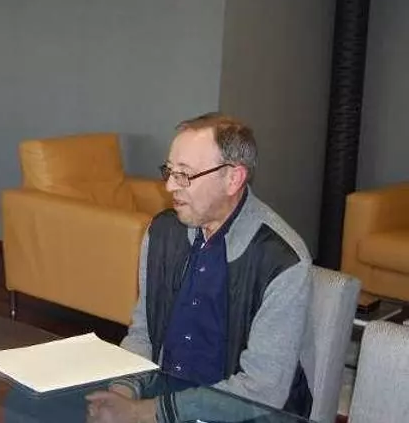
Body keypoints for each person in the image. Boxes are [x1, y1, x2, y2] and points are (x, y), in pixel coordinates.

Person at [87, 113, 312, 422]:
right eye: (169, 171)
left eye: (185, 174)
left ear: (233, 179)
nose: (169, 186)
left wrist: (145, 413)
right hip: (164, 401)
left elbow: (261, 391)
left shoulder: (282, 260)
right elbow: (143, 334)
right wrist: (121, 393)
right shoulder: (163, 233)